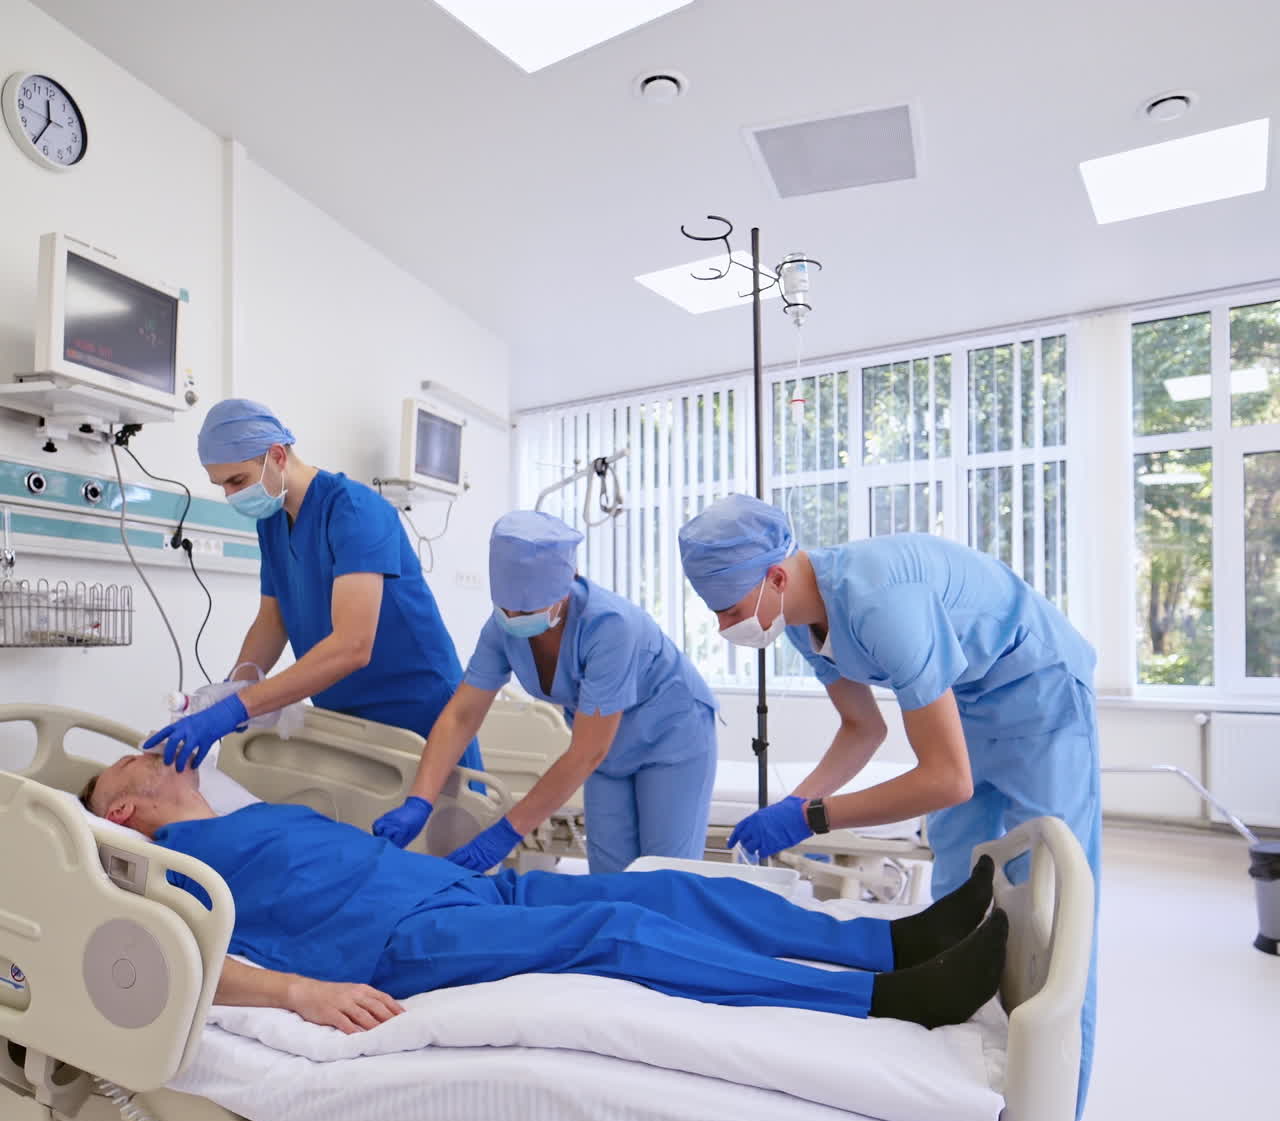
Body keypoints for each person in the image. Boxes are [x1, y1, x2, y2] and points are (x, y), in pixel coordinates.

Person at [678, 493, 1100, 1120]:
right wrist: (793, 803)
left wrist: (813, 818)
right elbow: (862, 729)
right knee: (960, 894)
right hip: (970, 700)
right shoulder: (802, 622)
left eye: (729, 610)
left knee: (1053, 912)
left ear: (775, 578)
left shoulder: (880, 602)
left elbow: (947, 779)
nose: (723, 628)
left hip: (1041, 693)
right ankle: (972, 1069)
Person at [81, 751, 1007, 1033]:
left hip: (450, 888)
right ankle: (889, 999)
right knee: (614, 932)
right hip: (398, 944)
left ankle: (889, 941)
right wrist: (297, 993)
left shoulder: (244, 811)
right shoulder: (157, 868)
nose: (150, 748)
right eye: (130, 760)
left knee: (661, 889)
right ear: (122, 809)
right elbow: (185, 960)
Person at [142, 399, 482, 776]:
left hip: (418, 709)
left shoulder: (355, 510)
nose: (230, 495)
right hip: (347, 712)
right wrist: (229, 691)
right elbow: (272, 622)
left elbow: (353, 645)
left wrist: (241, 706)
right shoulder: (272, 523)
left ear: (277, 456)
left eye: (237, 481)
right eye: (221, 485)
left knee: (442, 810)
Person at [373, 510, 719, 874]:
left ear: (564, 587)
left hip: (671, 736)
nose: (513, 617)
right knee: (609, 877)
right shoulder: (501, 629)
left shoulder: (609, 627)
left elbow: (587, 751)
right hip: (606, 753)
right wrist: (419, 800)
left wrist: (506, 833)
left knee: (665, 875)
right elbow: (461, 716)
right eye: (506, 606)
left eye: (527, 608)